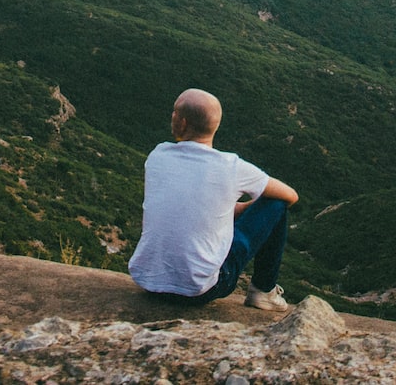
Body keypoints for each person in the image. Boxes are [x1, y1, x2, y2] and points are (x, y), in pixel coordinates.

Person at [128, 88, 299, 310]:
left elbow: (190, 202)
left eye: (174, 113)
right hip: (198, 291)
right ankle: (264, 291)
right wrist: (249, 208)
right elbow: (290, 196)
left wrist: (232, 208)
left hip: (148, 281)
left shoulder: (157, 156)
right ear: (215, 125)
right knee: (276, 204)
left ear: (181, 123)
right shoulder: (231, 167)